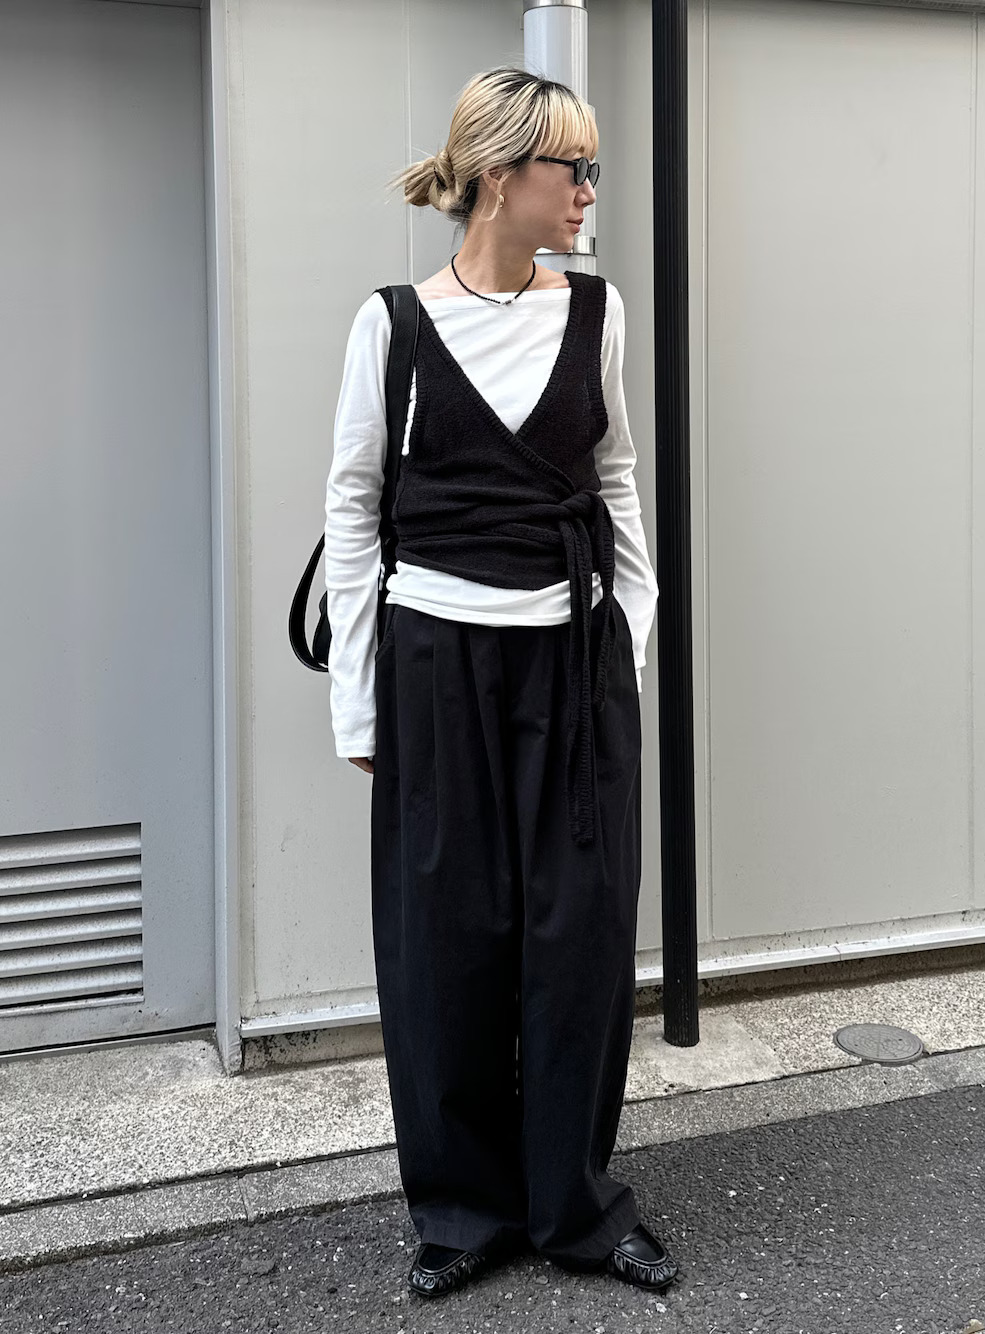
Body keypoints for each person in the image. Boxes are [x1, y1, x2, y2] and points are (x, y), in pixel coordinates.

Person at [324, 66, 678, 1300]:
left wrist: (627, 638)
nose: (588, 190)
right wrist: (358, 698)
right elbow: (352, 511)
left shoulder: (596, 311)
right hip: (436, 664)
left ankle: (575, 1205)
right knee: (445, 941)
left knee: (578, 937)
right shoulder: (394, 327)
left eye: (589, 168)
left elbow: (617, 479)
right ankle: (462, 1210)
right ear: (496, 177)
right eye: (571, 167)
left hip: (572, 666)